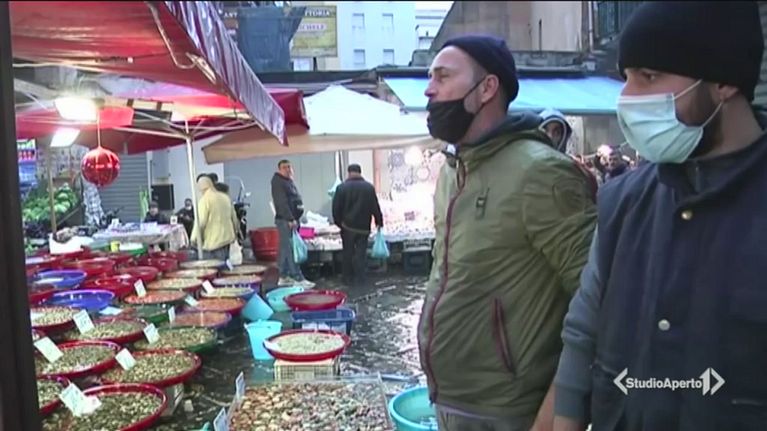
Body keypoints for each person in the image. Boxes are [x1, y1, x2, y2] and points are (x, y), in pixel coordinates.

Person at [552, 3, 765, 431]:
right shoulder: (623, 200)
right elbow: (582, 331)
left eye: (649, 77)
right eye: (626, 79)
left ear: (723, 81)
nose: (627, 99)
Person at [419, 35, 597, 431]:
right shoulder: (452, 171)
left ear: (487, 88)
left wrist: (555, 415)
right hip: (449, 400)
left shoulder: (541, 172)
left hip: (510, 412)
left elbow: (597, 304)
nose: (429, 89)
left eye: (442, 77)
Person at [332, 164, 384, 286]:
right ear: (360, 172)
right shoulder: (369, 188)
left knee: (347, 253)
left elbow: (335, 209)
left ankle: (347, 278)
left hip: (347, 227)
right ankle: (360, 278)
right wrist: (379, 222)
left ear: (349, 173)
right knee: (361, 254)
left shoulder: (341, 188)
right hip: (363, 228)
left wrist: (340, 223)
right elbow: (375, 207)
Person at [271, 160, 315, 288]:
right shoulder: (279, 182)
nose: (288, 169)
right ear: (279, 170)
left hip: (291, 220)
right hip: (286, 221)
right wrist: (290, 218)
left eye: (289, 167)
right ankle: (297, 277)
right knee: (291, 250)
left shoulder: (287, 181)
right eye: (284, 167)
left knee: (285, 249)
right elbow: (281, 202)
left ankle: (284, 276)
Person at [191, 175, 239, 261]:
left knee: (213, 267)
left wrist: (194, 238)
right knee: (226, 265)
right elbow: (234, 219)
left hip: (213, 243)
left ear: (201, 188)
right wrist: (236, 233)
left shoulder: (204, 200)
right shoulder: (225, 198)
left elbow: (200, 222)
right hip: (228, 241)